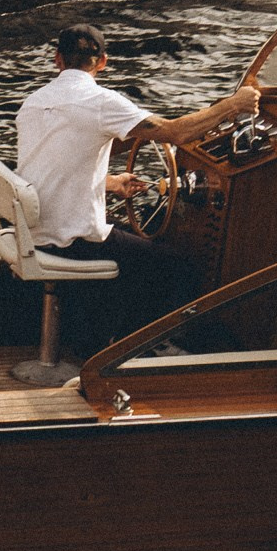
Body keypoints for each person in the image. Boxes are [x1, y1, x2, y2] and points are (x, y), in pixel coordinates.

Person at [16, 23, 260, 348]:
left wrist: (111, 183)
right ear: (103, 62)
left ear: (57, 59)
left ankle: (101, 339)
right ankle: (123, 352)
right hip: (68, 240)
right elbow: (176, 133)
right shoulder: (100, 102)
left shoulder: (33, 102)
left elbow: (49, 168)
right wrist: (232, 105)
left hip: (31, 230)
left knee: (134, 246)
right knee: (176, 267)